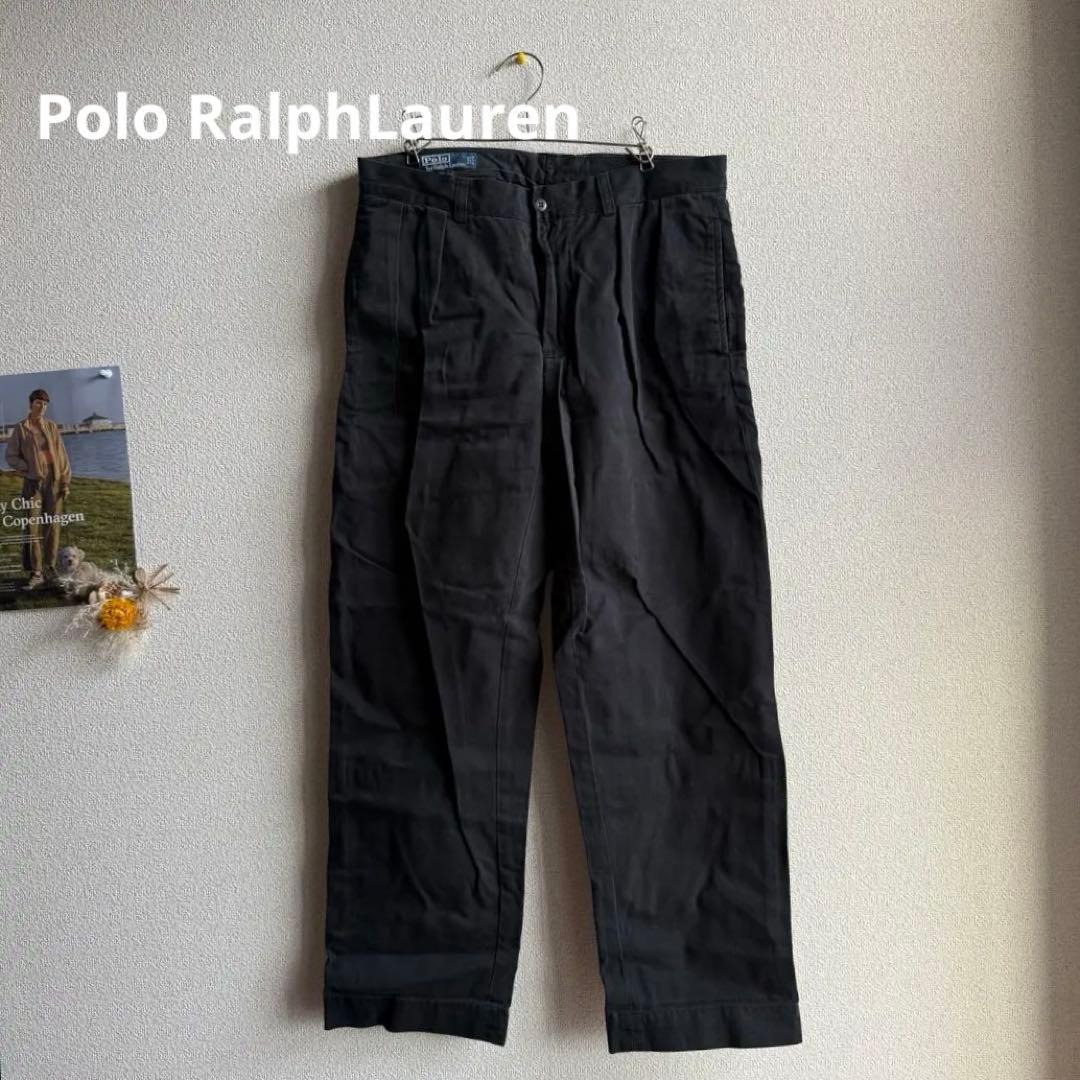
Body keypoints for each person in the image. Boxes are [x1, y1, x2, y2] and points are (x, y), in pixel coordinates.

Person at [4, 387, 72, 589]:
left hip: (54, 481)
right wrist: (27, 467)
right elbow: (11, 456)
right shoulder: (21, 428)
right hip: (32, 483)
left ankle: (51, 568)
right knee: (32, 528)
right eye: (38, 403)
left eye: (45, 404)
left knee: (52, 526)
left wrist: (65, 482)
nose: (42, 407)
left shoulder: (51, 426)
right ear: (31, 404)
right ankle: (36, 572)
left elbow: (62, 456)